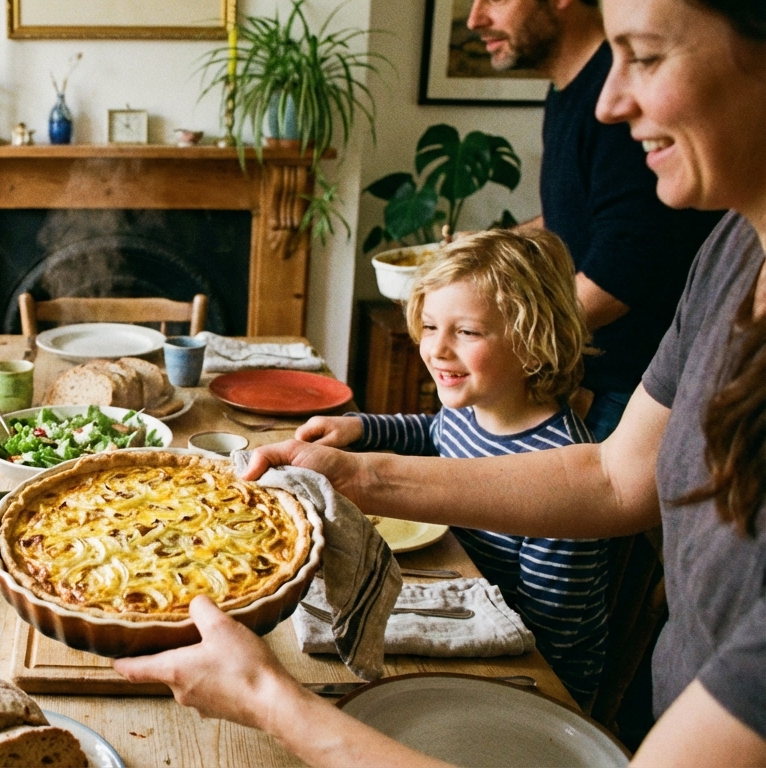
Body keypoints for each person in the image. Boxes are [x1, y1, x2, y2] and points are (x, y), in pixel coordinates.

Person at [115, 0, 766, 762]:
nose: (609, 102)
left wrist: (270, 702)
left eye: (646, 56)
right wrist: (353, 471)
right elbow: (613, 479)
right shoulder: (732, 253)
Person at [299, 229, 609, 706]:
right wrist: (359, 429)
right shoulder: (472, 405)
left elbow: (552, 647)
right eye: (429, 326)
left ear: (532, 341)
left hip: (524, 681)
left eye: (466, 331)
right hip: (459, 594)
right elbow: (432, 433)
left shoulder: (563, 473)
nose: (437, 350)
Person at [468, 0, 724, 439]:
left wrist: (492, 334)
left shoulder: (618, 100)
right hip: (593, 381)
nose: (475, 19)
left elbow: (622, 271)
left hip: (632, 390)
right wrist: (479, 251)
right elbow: (573, 215)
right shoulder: (570, 88)